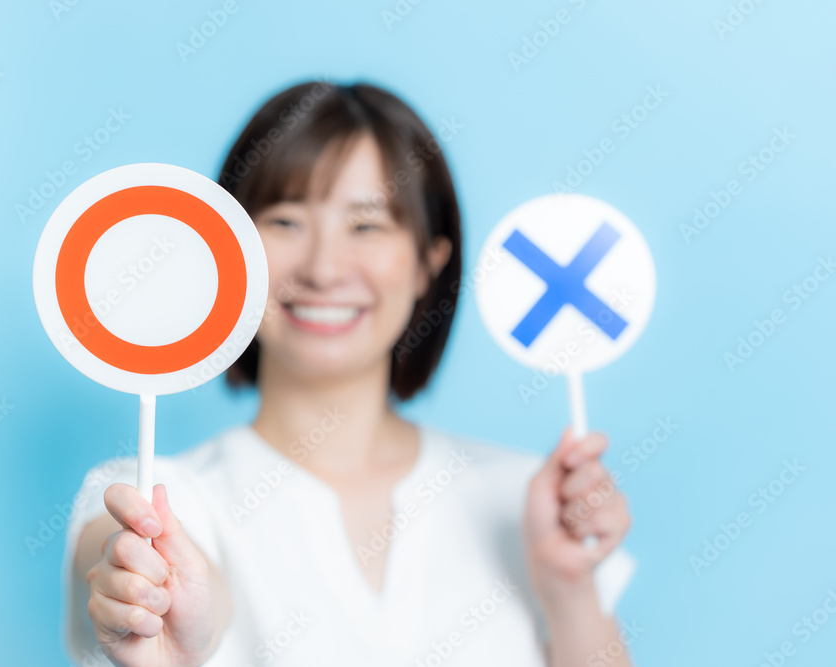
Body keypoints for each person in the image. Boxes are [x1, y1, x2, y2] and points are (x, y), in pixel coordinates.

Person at [61, 80, 636, 667]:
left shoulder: (527, 504)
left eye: (367, 226)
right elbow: (128, 574)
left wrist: (569, 589)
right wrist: (165, 615)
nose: (324, 268)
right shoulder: (154, 502)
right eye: (286, 221)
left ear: (428, 263)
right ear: (230, 251)